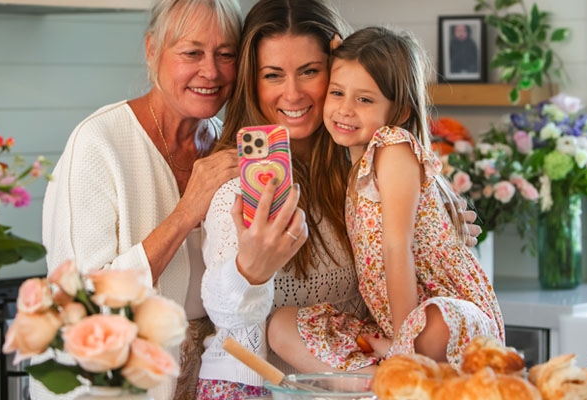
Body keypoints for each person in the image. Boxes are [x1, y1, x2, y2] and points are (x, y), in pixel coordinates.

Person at [196, 1, 482, 398]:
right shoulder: (242, 188)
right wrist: (248, 271)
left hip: (360, 379)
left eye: (310, 72)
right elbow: (230, 317)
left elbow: (403, 262)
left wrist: (437, 228)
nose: (292, 93)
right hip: (268, 384)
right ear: (252, 82)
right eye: (273, 75)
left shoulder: (363, 171)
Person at [37, 0, 242, 399]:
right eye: (191, 52)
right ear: (152, 50)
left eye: (226, 54)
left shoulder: (227, 147)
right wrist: (186, 212)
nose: (211, 71)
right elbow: (83, 301)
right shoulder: (99, 142)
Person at [269, 26, 504, 374]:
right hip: (397, 324)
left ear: (401, 111)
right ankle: (379, 379)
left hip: (451, 322)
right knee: (281, 326)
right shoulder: (354, 162)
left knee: (434, 321)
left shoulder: (392, 147)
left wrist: (404, 339)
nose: (345, 109)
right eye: (337, 92)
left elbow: (398, 247)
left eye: (364, 99)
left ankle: (403, 364)